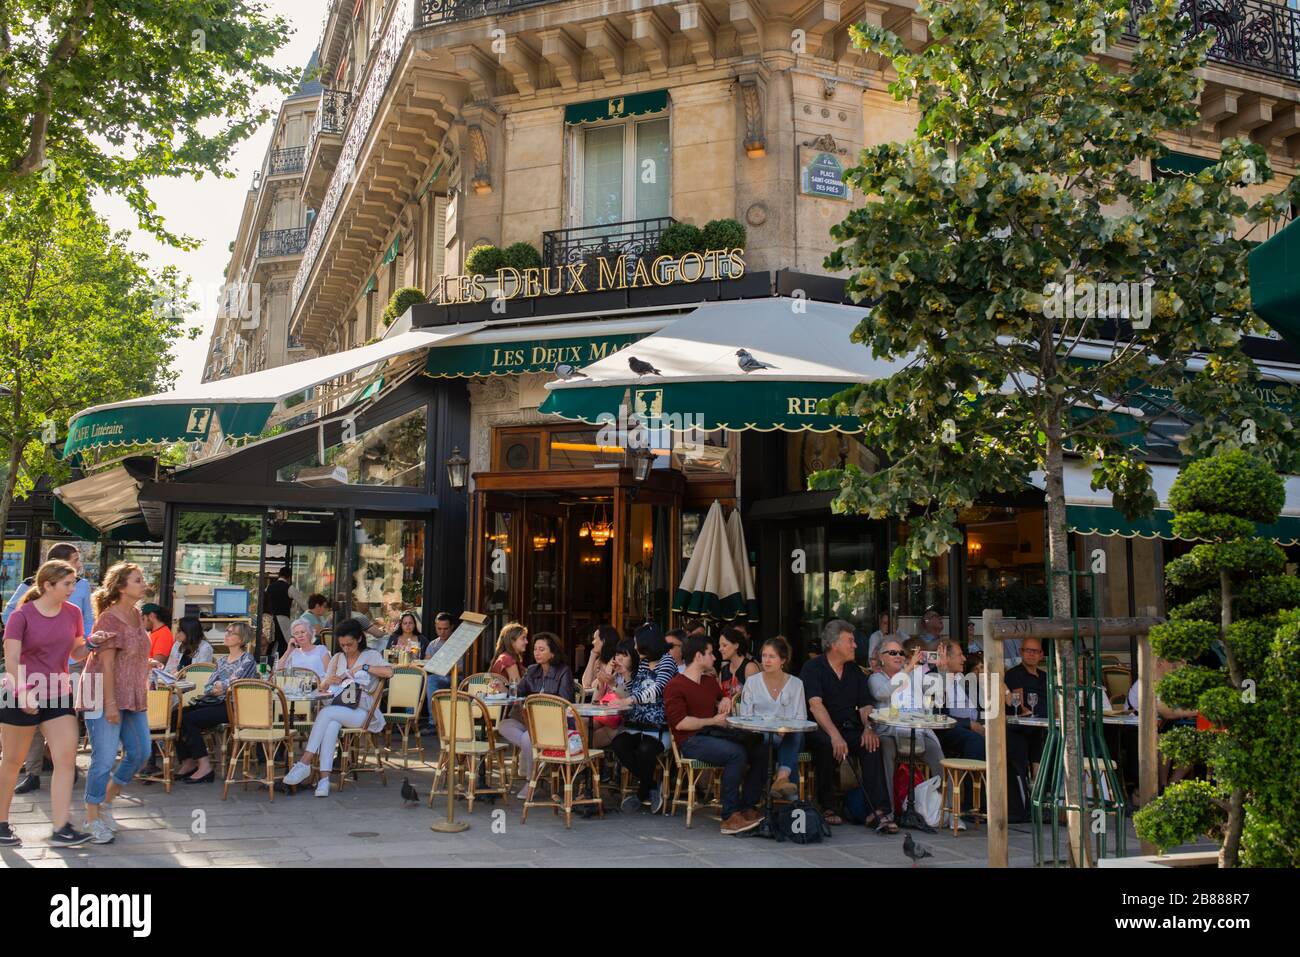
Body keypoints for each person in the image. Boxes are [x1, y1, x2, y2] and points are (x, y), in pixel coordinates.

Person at [0, 560, 93, 847]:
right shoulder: (22, 616)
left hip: (58, 693)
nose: (73, 588)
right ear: (48, 585)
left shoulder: (73, 613)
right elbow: (12, 659)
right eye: (67, 583)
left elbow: (75, 652)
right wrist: (25, 692)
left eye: (74, 582)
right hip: (20, 692)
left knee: (66, 760)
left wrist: (91, 644)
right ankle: (1, 823)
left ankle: (61, 827)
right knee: (14, 761)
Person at [665, 634, 766, 835]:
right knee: (736, 753)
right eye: (710, 653)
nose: (714, 658)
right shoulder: (675, 685)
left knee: (761, 748)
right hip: (691, 740)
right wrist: (712, 720)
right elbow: (681, 723)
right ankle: (729, 816)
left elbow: (721, 698)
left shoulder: (710, 681)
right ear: (698, 656)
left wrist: (725, 701)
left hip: (714, 734)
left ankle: (746, 807)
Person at [81, 563, 153, 845]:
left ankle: (106, 803)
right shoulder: (109, 620)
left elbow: (130, 655)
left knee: (140, 752)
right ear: (122, 587)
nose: (143, 583)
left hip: (133, 694)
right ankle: (91, 818)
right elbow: (107, 665)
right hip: (104, 695)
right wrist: (110, 704)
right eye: (138, 580)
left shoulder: (136, 614)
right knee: (104, 759)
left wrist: (146, 663)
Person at [800, 619, 896, 831]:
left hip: (849, 727)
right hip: (820, 728)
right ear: (834, 644)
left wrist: (868, 728)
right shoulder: (813, 668)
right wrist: (835, 735)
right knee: (826, 744)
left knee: (871, 744)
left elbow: (865, 706)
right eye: (850, 641)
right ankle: (828, 806)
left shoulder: (854, 671)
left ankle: (877, 810)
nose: (855, 645)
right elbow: (816, 706)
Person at [282, 619, 393, 797]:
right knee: (331, 723)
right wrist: (328, 681)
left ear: (359, 639)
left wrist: (363, 667)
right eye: (342, 645)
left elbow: (389, 672)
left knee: (326, 713)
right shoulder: (337, 658)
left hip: (364, 712)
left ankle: (304, 762)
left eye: (349, 644)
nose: (346, 648)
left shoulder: (371, 655)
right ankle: (324, 781)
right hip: (340, 706)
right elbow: (323, 687)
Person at [174, 623, 258, 783]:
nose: (226, 634)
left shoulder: (247, 659)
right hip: (215, 702)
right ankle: (188, 761)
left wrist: (221, 685)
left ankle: (204, 766)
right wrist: (219, 687)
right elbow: (209, 686)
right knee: (175, 715)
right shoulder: (221, 660)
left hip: (233, 707)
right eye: (227, 631)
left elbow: (235, 681)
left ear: (241, 639)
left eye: (231, 633)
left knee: (189, 720)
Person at [868, 638, 945, 808]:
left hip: (917, 731)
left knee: (939, 756)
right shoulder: (875, 678)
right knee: (886, 751)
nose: (898, 656)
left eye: (901, 653)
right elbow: (882, 693)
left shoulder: (914, 675)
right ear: (881, 658)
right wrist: (908, 669)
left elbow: (935, 692)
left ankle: (945, 811)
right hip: (890, 732)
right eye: (893, 653)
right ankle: (889, 809)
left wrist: (940, 668)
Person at [495, 633, 573, 797]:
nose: (537, 653)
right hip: (530, 722)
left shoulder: (563, 671)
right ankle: (539, 757)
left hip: (553, 724)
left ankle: (532, 781)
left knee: (527, 739)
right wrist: (505, 689)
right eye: (535, 649)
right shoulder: (532, 670)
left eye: (542, 649)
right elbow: (519, 692)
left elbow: (565, 701)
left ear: (552, 653)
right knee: (504, 725)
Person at [611, 625, 676, 813]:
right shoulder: (644, 663)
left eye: (637, 642)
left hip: (659, 727)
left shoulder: (667, 662)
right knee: (618, 744)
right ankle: (652, 785)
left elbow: (658, 688)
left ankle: (641, 794)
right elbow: (636, 690)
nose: (635, 646)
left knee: (645, 750)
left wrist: (629, 700)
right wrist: (623, 675)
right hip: (637, 724)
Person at [739, 636, 807, 801]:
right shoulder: (752, 682)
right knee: (786, 741)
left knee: (794, 735)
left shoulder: (796, 684)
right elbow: (745, 717)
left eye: (772, 656)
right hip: (762, 735)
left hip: (790, 734)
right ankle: (784, 783)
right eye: (764, 656)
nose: (766, 661)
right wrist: (772, 728)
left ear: (783, 660)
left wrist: (785, 728)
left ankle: (782, 779)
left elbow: (801, 718)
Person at [262, 566, 295, 657]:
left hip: (269, 618)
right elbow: (303, 603)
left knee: (270, 643)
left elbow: (264, 599)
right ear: (289, 577)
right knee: (284, 643)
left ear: (279, 575)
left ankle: (268, 663)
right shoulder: (289, 588)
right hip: (283, 619)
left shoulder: (269, 587)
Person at [717, 626, 759, 697]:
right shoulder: (723, 670)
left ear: (736, 645)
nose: (720, 649)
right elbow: (720, 698)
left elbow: (756, 698)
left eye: (724, 645)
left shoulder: (750, 668)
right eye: (720, 645)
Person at [580, 624, 619, 696]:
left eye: (595, 639)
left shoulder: (616, 660)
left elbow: (595, 685)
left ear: (603, 641)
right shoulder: (599, 660)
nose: (592, 642)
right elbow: (586, 684)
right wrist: (592, 656)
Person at [141, 603, 174, 668]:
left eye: (143, 619)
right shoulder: (154, 633)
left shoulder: (163, 635)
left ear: (151, 616)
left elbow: (158, 664)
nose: (141, 623)